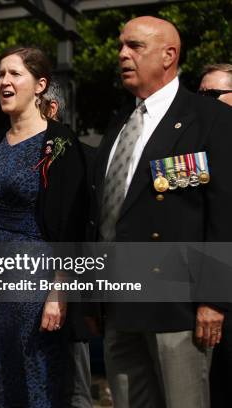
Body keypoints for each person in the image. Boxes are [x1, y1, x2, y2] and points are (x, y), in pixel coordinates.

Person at [87, 17, 232, 408]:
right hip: (118, 300)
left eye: (134, 46)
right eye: (121, 46)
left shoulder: (212, 120)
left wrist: (214, 299)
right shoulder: (119, 123)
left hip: (177, 304)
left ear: (169, 55)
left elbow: (223, 214)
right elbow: (102, 214)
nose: (122, 54)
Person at [0, 46, 87, 407]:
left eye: (14, 74)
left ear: (40, 85)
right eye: (0, 74)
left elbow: (70, 225)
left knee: (39, 384)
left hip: (38, 280)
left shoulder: (59, 141)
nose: (4, 81)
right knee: (0, 383)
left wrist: (59, 292)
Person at [42, 80, 93, 408]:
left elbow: (82, 228)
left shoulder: (81, 154)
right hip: (18, 283)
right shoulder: (9, 150)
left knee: (73, 390)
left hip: (67, 290)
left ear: (51, 107)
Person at [199, 63, 232, 408]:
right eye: (200, 95)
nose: (203, 102)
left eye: (213, 95)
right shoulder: (193, 154)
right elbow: (156, 181)